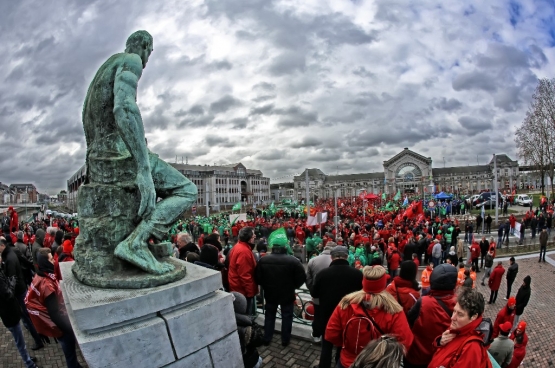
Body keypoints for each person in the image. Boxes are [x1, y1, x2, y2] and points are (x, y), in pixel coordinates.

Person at [83, 30, 197, 275]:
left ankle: (141, 241)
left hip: (98, 160)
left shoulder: (104, 70)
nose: (146, 60)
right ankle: (136, 242)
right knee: (187, 190)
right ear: (145, 47)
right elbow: (124, 107)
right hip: (116, 157)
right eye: (149, 53)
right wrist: (143, 169)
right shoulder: (130, 60)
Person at [325, 265, 413, 368]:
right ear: (384, 284)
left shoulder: (346, 303)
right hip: (376, 364)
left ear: (363, 282)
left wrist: (348, 347)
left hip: (347, 362)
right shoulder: (393, 309)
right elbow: (405, 342)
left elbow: (331, 333)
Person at [25, 249, 83, 368]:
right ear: (45, 262)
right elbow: (54, 314)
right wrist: (69, 329)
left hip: (58, 327)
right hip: (61, 328)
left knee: (70, 355)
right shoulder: (47, 285)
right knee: (70, 355)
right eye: (51, 259)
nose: (54, 261)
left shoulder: (39, 275)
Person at [311, 246, 363, 368]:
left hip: (327, 315)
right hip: (349, 315)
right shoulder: (357, 274)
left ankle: (324, 366)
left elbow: (314, 293)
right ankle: (339, 363)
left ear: (331, 257)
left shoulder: (322, 274)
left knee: (327, 344)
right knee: (343, 344)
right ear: (346, 257)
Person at [255, 230, 306, 347]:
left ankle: (267, 338)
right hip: (287, 293)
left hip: (270, 293)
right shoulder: (294, 261)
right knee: (287, 316)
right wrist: (293, 286)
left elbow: (258, 278)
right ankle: (285, 340)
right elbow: (301, 278)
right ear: (285, 246)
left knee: (269, 315)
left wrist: (266, 286)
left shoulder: (263, 260)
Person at [405, 263, 458, 368]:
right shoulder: (459, 305)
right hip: (439, 359)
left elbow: (407, 323)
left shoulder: (424, 302)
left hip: (417, 356)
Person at [0, 237, 44, 350]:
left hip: (19, 292)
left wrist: (10, 296)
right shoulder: (12, 251)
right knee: (28, 316)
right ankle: (39, 335)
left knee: (27, 317)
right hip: (21, 288)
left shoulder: (9, 258)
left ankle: (38, 339)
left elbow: (12, 279)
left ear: (2, 245)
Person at [428, 288, 489, 367]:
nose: (452, 318)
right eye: (454, 311)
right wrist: (440, 341)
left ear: (473, 317)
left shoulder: (472, 348)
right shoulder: (458, 328)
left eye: (460, 314)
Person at [306, 242, 335, 343]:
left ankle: (316, 335)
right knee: (331, 317)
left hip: (317, 294)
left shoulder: (313, 260)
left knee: (317, 316)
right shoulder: (335, 261)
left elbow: (308, 279)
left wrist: (312, 291)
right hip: (332, 296)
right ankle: (328, 336)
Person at [228, 227, 259, 314]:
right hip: (243, 291)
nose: (255, 236)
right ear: (249, 239)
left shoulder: (238, 246)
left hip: (237, 287)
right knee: (246, 315)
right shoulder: (244, 252)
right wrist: (251, 292)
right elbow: (245, 275)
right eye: (253, 236)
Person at [230, 292, 263, 368]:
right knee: (259, 360)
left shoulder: (225, 322)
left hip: (235, 360)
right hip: (249, 361)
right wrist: (252, 323)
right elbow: (259, 340)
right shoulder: (247, 329)